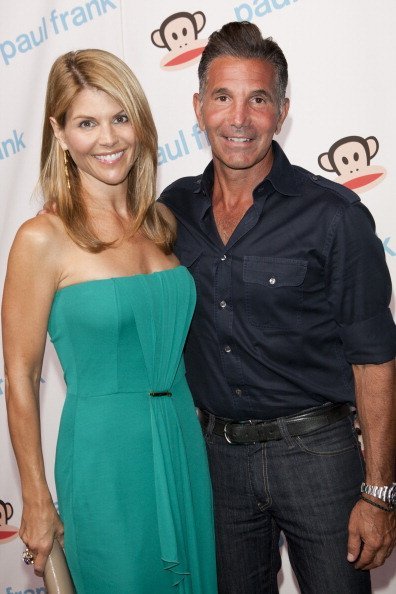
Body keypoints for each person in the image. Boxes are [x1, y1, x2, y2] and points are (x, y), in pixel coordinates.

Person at [159, 21, 396, 594]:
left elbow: (375, 361)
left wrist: (381, 492)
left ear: (282, 110)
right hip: (218, 462)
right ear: (198, 106)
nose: (238, 118)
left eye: (257, 99)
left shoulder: (334, 215)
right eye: (223, 96)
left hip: (318, 456)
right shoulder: (173, 210)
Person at [2, 49, 217, 594]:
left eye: (120, 117)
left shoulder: (162, 222)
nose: (108, 138)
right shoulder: (41, 239)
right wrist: (34, 496)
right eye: (86, 123)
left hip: (181, 445)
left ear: (139, 122)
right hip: (104, 456)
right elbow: (21, 376)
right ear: (59, 131)